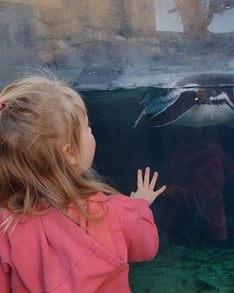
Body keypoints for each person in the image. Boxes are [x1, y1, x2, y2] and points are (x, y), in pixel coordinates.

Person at [0, 76, 166, 292]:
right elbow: (146, 246)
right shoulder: (112, 212)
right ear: (69, 153)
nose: (91, 132)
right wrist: (140, 205)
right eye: (88, 127)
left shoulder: (6, 226)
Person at [152, 126, 234, 247]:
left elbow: (203, 197)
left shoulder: (209, 155)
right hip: (182, 230)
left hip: (206, 231)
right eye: (183, 125)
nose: (184, 128)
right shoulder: (178, 149)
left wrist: (165, 192)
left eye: (191, 125)